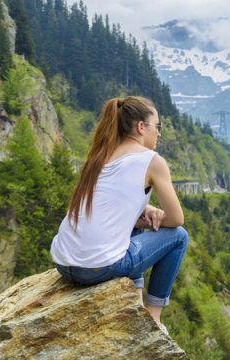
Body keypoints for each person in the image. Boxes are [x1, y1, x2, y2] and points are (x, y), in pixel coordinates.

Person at [50, 96, 188, 336]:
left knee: (142, 223)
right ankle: (153, 318)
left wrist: (145, 212)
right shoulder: (152, 161)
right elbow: (176, 219)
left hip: (63, 263)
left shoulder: (100, 156)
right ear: (141, 127)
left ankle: (132, 297)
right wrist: (150, 218)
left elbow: (106, 209)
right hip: (96, 269)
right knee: (179, 237)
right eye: (158, 127)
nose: (159, 134)